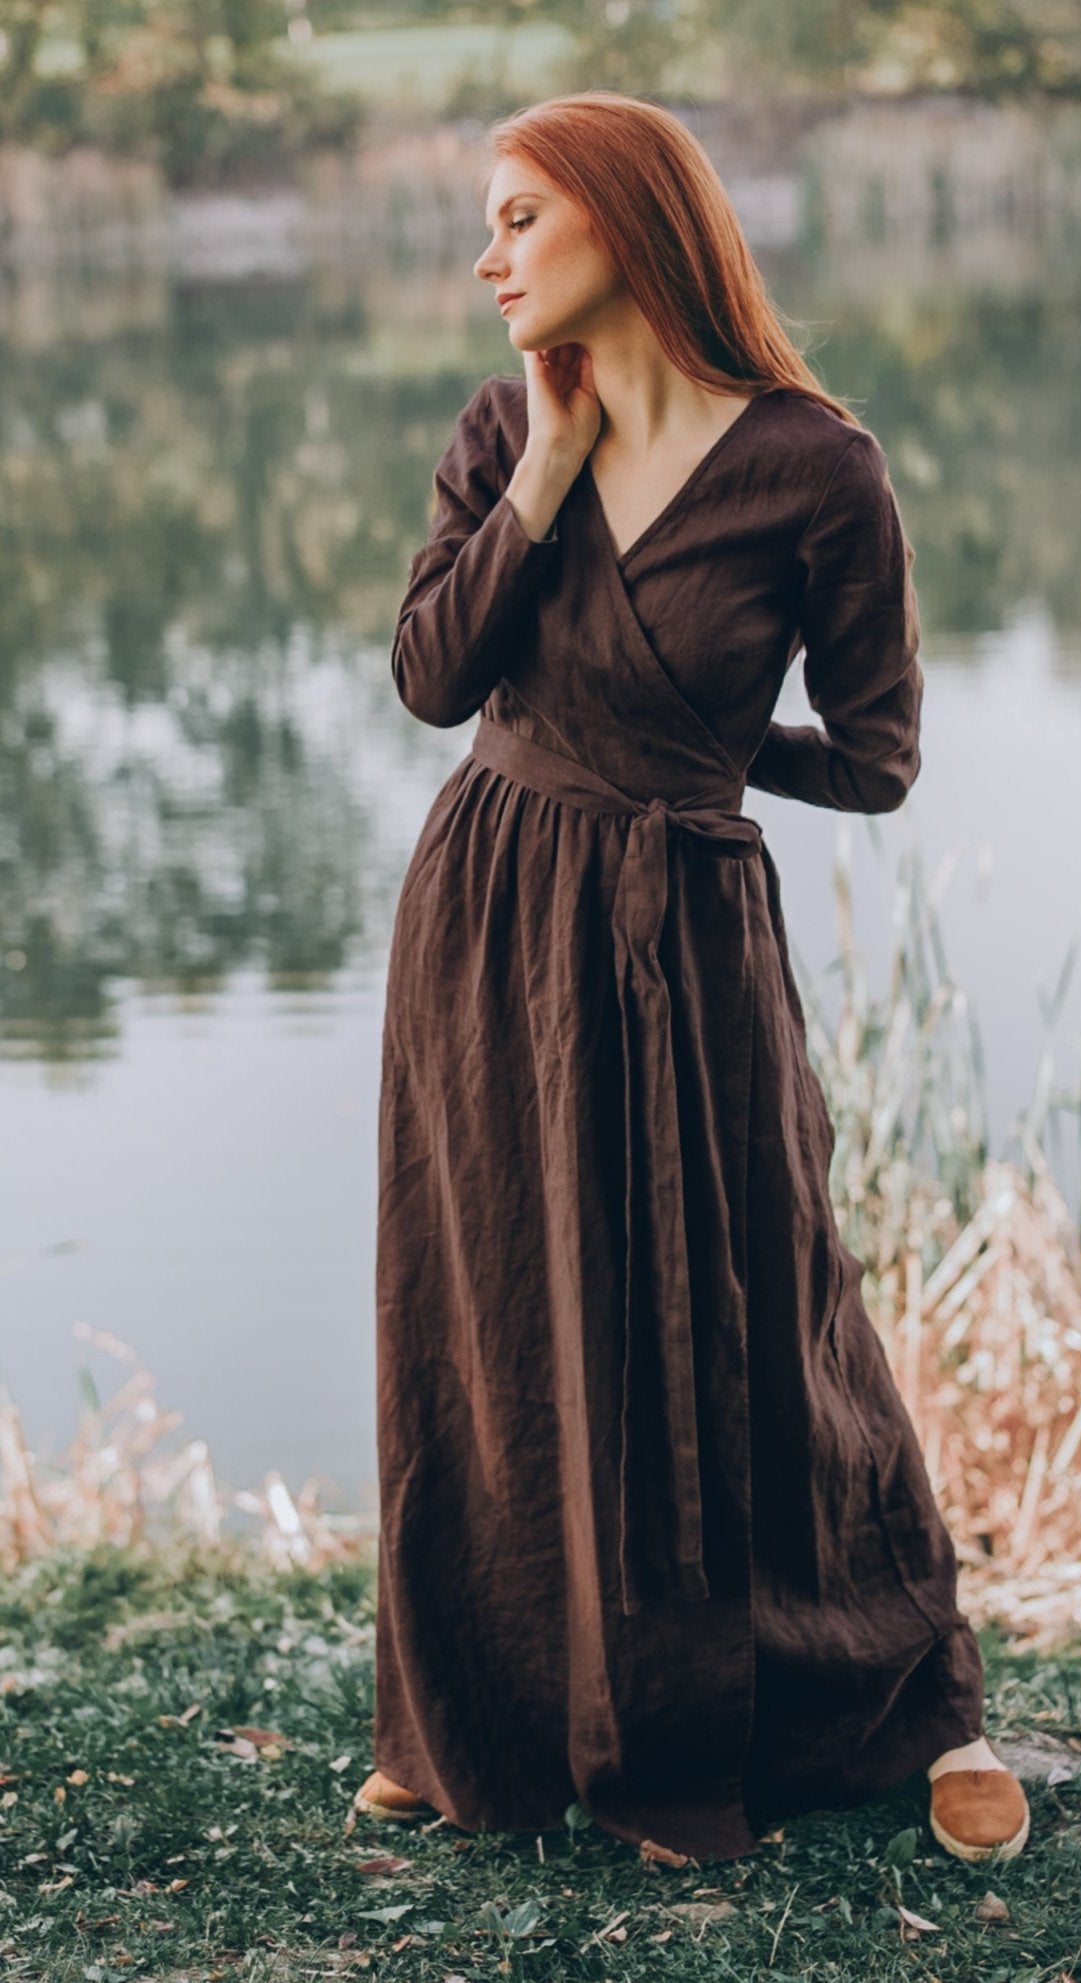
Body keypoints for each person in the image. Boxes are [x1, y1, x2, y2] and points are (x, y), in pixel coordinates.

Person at [354, 88, 1029, 1868]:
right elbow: (431, 678)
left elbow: (876, 761)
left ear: (625, 223)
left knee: (750, 1306)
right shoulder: (504, 425)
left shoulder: (818, 469)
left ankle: (885, 1698)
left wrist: (704, 755)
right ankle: (464, 1719)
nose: (485, 256)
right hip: (492, 914)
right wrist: (543, 486)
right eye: (486, 222)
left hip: (685, 922)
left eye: (518, 216)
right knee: (490, 1305)